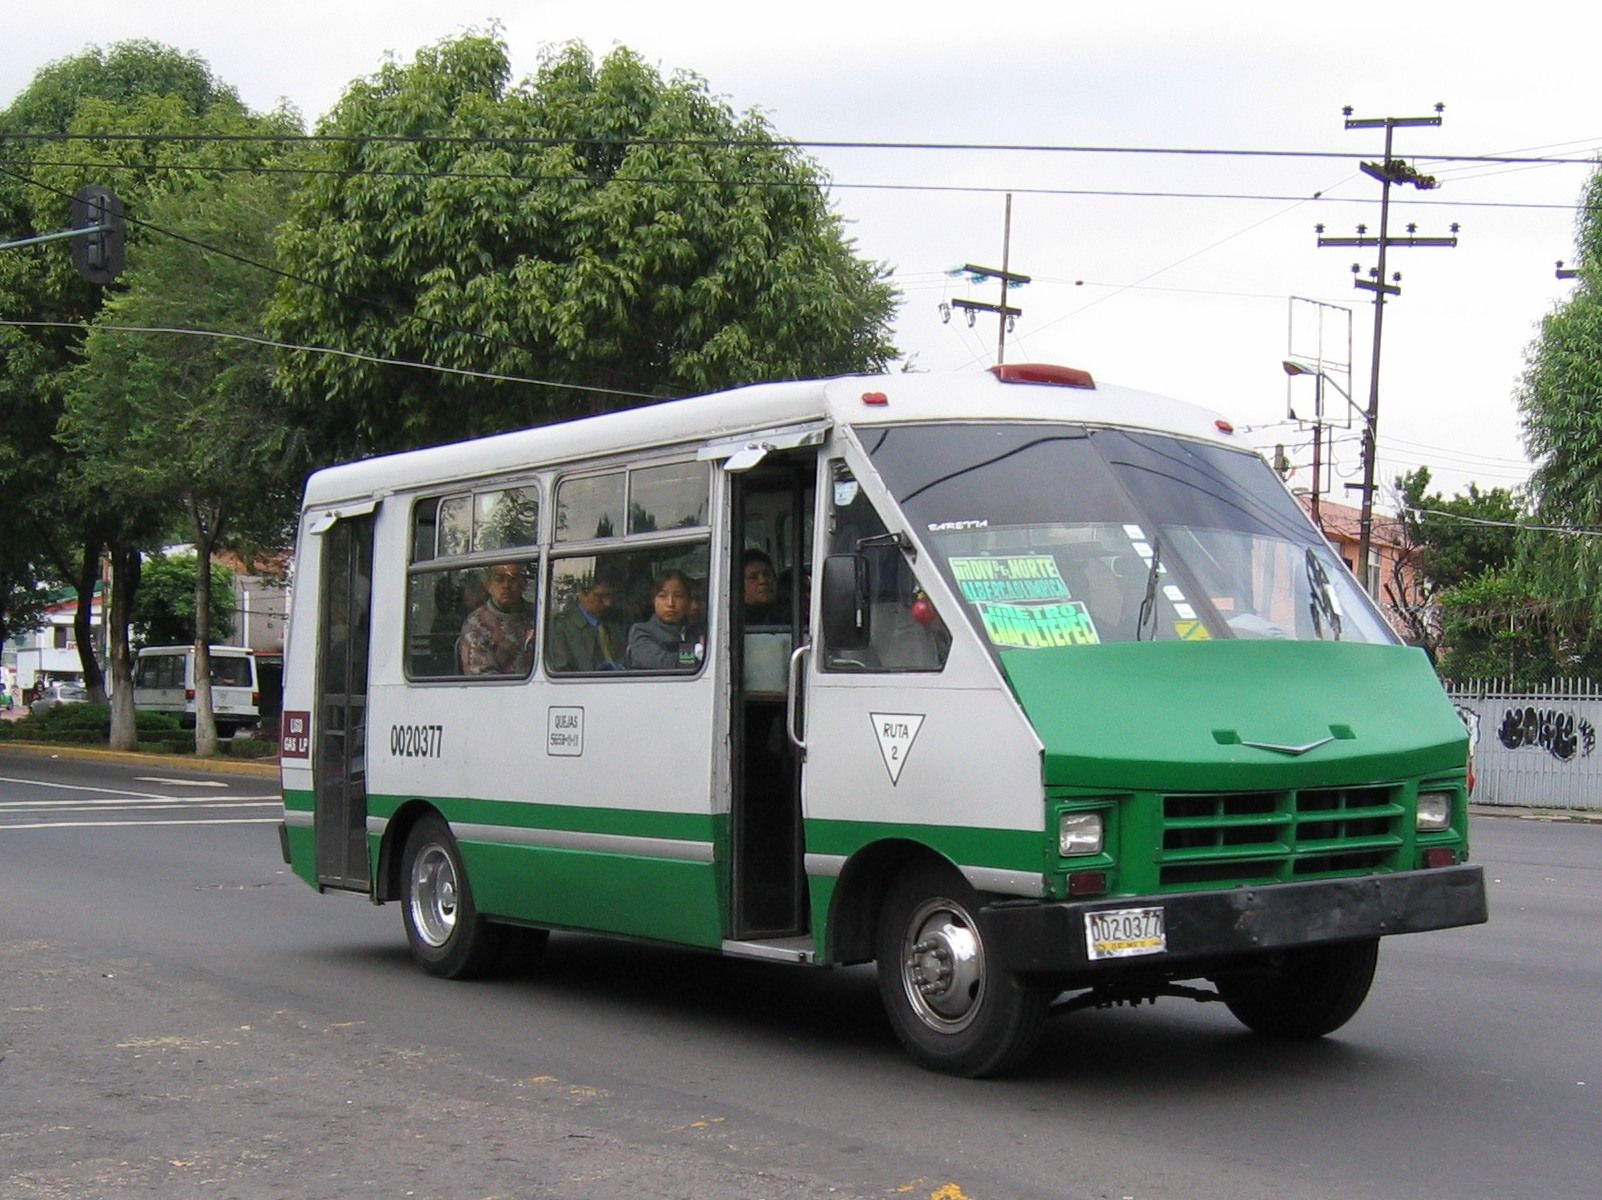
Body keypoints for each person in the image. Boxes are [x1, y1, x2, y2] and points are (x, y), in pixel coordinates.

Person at [458, 562, 535, 675]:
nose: (506, 585)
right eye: (499, 579)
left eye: (513, 579)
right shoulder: (477, 623)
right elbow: (482, 680)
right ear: (489, 586)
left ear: (523, 584)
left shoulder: (538, 615)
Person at [546, 573, 628, 672]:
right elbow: (561, 671)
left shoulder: (619, 621)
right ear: (581, 594)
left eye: (610, 596)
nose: (608, 603)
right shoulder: (562, 627)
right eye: (600, 597)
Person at [628, 569, 703, 670]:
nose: (670, 603)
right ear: (653, 600)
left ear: (688, 600)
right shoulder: (641, 631)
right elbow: (664, 662)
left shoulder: (696, 632)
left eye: (678, 596)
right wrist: (699, 652)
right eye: (662, 596)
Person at [742, 548, 781, 624]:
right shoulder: (735, 623)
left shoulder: (789, 616)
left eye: (767, 575)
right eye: (753, 577)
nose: (763, 581)